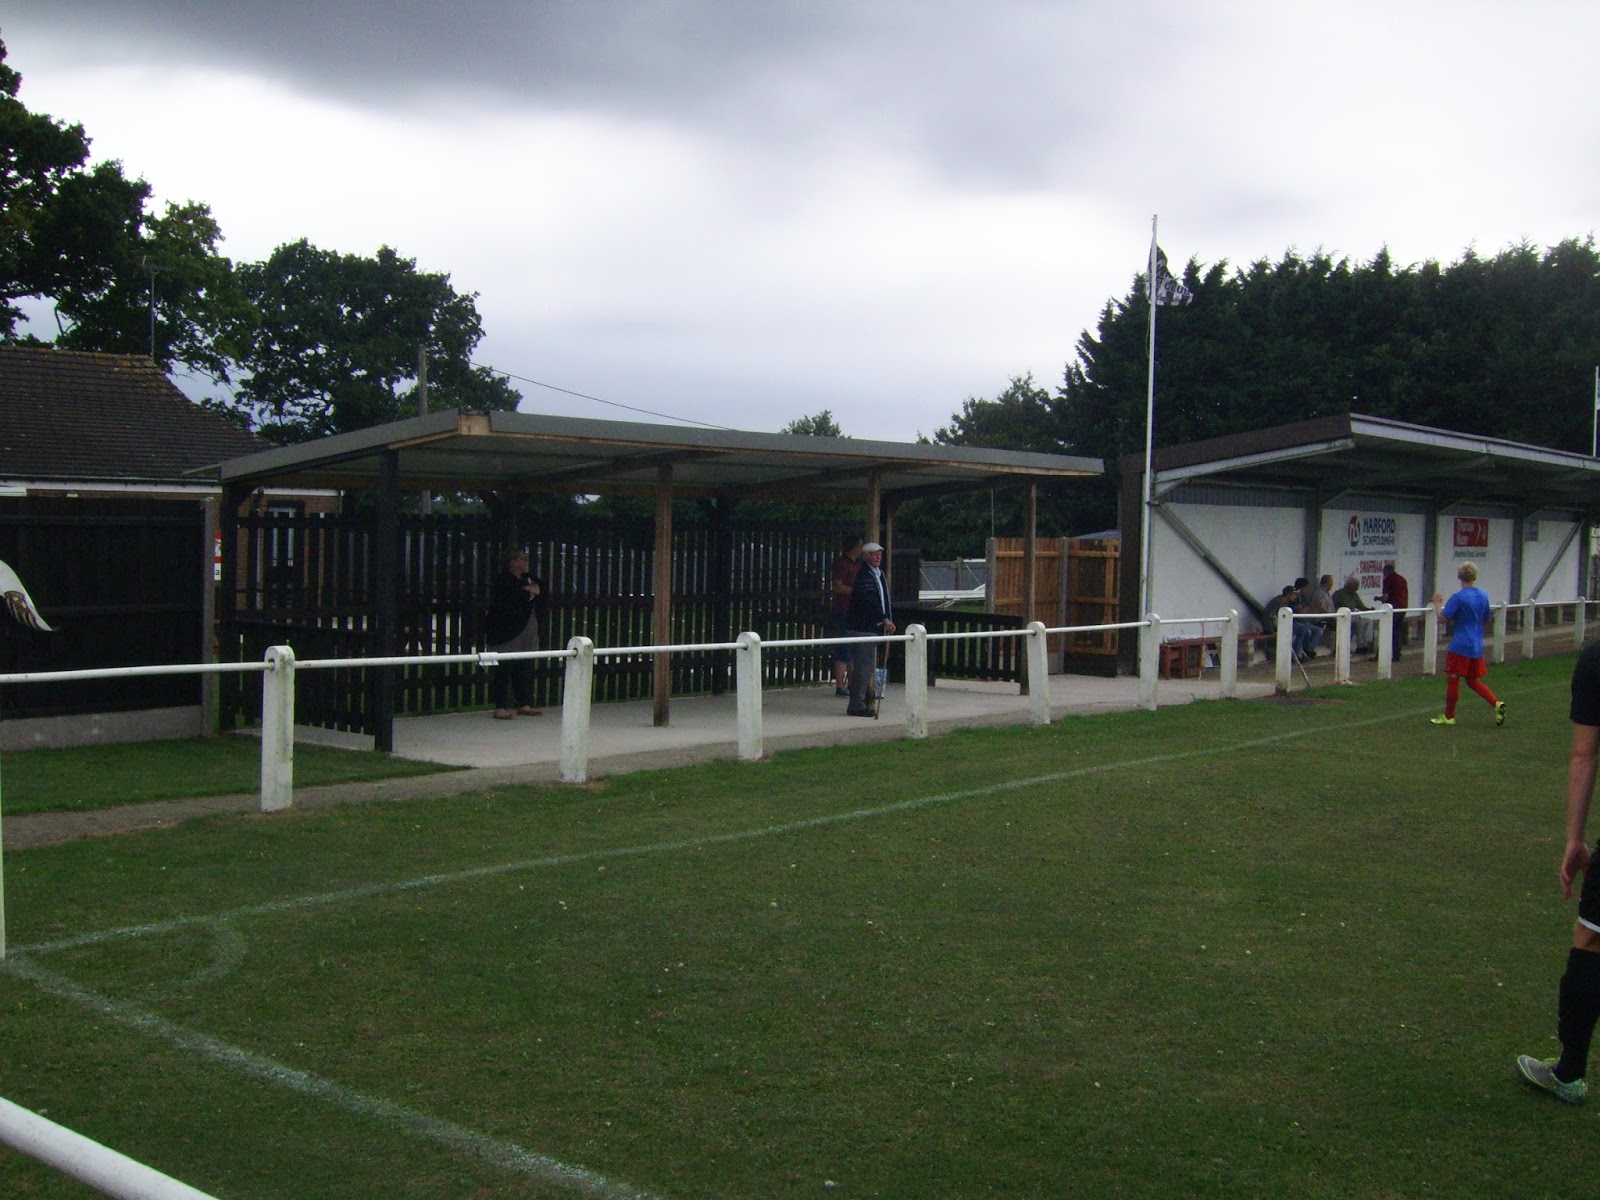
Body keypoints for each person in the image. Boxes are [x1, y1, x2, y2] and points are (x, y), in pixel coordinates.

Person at [1516, 639, 1600, 1104]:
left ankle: (1569, 1073)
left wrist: (1574, 837)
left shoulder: (1595, 659)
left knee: (1591, 939)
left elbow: (1585, 755)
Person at [1428, 561, 1504, 727]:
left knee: (1453, 677)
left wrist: (1437, 603)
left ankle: (1449, 716)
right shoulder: (1483, 595)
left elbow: (1443, 617)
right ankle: (1496, 703)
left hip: (1460, 644)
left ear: (1459, 577)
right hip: (1476, 644)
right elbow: (1486, 617)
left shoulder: (1459, 597)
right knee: (1472, 680)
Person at [484, 546, 546, 720]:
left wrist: (528, 591)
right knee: (503, 667)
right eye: (522, 559)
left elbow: (540, 589)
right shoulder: (504, 580)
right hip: (507, 630)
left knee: (523, 665)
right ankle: (500, 706)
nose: (525, 563)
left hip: (526, 627)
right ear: (512, 562)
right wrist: (527, 593)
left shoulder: (527, 579)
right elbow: (510, 599)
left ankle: (524, 703)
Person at [845, 541, 895, 717]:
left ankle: (862, 701)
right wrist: (884, 619)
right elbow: (869, 601)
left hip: (873, 628)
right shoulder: (865, 575)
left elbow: (882, 599)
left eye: (879, 553)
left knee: (867, 667)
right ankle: (856, 704)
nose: (878, 556)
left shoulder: (878, 573)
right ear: (866, 556)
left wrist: (886, 619)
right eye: (874, 553)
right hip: (863, 627)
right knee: (863, 668)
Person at [828, 536, 864, 696]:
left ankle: (851, 683)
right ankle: (840, 685)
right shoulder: (842, 563)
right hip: (843, 609)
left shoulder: (857, 565)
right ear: (854, 547)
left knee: (853, 646)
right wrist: (856, 591)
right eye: (860, 546)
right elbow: (837, 586)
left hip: (854, 609)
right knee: (844, 646)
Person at [1331, 573, 1373, 651]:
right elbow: (1333, 606)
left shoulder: (1355, 595)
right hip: (1342, 617)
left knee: (1368, 621)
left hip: (1353, 616)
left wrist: (1370, 609)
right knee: (1359, 623)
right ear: (1349, 585)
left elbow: (1361, 606)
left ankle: (1367, 643)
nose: (1357, 589)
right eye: (1355, 586)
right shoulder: (1339, 594)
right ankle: (1360, 646)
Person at [1295, 575, 1333, 659]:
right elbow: (1300, 611)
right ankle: (1300, 654)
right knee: (1307, 631)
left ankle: (1308, 650)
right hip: (1298, 622)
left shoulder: (1303, 597)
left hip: (1305, 621)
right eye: (1306, 588)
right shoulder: (1296, 597)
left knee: (1316, 630)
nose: (1307, 590)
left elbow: (1308, 609)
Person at [1378, 562, 1410, 661]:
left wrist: (1379, 599)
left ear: (1386, 571)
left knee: (1386, 631)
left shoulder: (1388, 580)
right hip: (1403, 607)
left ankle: (1381, 654)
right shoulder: (1402, 579)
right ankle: (1396, 654)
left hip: (1392, 608)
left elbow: (1385, 597)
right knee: (1397, 632)